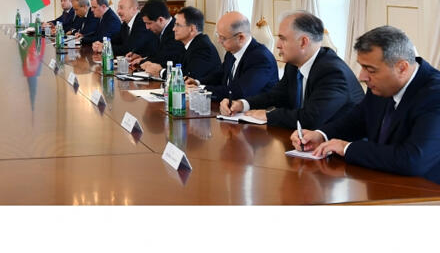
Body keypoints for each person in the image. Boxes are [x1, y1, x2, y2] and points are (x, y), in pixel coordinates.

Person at [293, 26, 440, 184]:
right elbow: (358, 120)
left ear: (402, 68)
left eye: (371, 70)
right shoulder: (381, 84)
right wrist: (321, 135)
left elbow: (412, 159)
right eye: (362, 67)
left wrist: (347, 148)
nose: (362, 77)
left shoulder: (435, 95)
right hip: (381, 183)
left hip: (425, 191)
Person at [220, 10, 364, 129]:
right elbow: (275, 96)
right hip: (305, 142)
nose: (278, 45)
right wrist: (242, 104)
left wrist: (268, 115)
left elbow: (311, 118)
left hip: (339, 148)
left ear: (303, 42)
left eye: (283, 38)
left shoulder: (332, 72)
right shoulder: (294, 65)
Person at [188, 11, 278, 101]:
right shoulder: (232, 50)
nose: (219, 41)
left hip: (255, 108)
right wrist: (197, 83)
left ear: (240, 37)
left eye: (223, 38)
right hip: (229, 105)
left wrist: (200, 90)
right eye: (218, 35)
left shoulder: (261, 59)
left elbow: (239, 92)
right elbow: (220, 75)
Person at [159, 6, 221, 83]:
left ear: (192, 29)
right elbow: (179, 68)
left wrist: (161, 72)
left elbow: (189, 78)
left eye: (178, 25)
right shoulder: (190, 44)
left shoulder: (203, 48)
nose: (173, 29)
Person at [130, 0, 184, 73]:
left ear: (161, 20)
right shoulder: (158, 30)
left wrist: (143, 61)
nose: (147, 27)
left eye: (149, 23)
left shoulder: (175, 31)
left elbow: (165, 58)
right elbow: (155, 53)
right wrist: (143, 58)